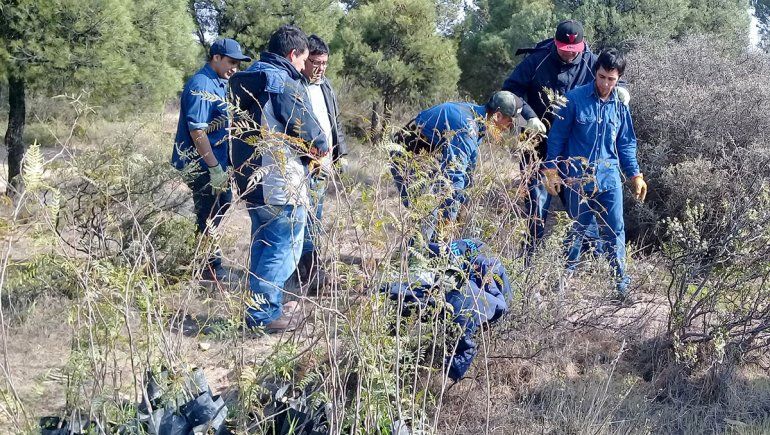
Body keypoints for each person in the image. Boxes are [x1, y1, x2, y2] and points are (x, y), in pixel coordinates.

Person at [502, 20, 630, 264]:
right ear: (555, 42)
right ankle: (529, 262)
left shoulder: (592, 61)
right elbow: (511, 90)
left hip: (574, 149)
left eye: (574, 50)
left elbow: (611, 78)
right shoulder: (536, 60)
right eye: (563, 48)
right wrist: (528, 116)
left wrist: (622, 90)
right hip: (537, 144)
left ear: (582, 46)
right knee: (537, 205)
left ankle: (592, 260)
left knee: (579, 207)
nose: (568, 53)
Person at [229, 25, 329, 332]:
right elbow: (311, 134)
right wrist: (321, 150)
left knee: (262, 244)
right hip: (280, 181)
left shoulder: (249, 79)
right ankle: (265, 316)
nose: (303, 67)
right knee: (281, 249)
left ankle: (258, 309)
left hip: (251, 178)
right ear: (293, 54)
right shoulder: (283, 82)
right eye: (303, 59)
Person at [543, 49, 647, 303]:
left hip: (610, 180)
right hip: (578, 180)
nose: (605, 84)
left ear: (618, 78)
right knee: (576, 231)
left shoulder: (620, 106)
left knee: (615, 231)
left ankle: (621, 289)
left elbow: (626, 144)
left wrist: (635, 175)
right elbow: (557, 138)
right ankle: (561, 287)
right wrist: (551, 170)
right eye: (602, 77)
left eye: (611, 79)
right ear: (595, 72)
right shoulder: (574, 100)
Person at [391, 91, 521, 242]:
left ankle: (431, 254)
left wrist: (463, 200)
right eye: (509, 123)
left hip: (427, 157)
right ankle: (414, 262)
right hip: (405, 155)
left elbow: (467, 169)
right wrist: (450, 219)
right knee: (427, 212)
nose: (508, 129)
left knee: (442, 209)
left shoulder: (477, 119)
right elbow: (454, 175)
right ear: (497, 116)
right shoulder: (466, 126)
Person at [171, 38, 250, 282]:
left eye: (237, 63)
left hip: (216, 163)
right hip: (201, 164)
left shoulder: (220, 83)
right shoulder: (201, 84)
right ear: (216, 57)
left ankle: (200, 258)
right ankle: (210, 267)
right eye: (231, 62)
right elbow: (198, 131)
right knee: (209, 212)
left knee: (218, 206)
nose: (234, 68)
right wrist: (214, 167)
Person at [296, 35, 349, 288]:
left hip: (323, 165)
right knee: (303, 218)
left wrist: (341, 155)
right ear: (305, 60)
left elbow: (334, 122)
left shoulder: (326, 86)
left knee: (314, 218)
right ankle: (310, 272)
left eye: (325, 63)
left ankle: (308, 270)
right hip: (301, 163)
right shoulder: (295, 85)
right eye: (316, 62)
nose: (320, 68)